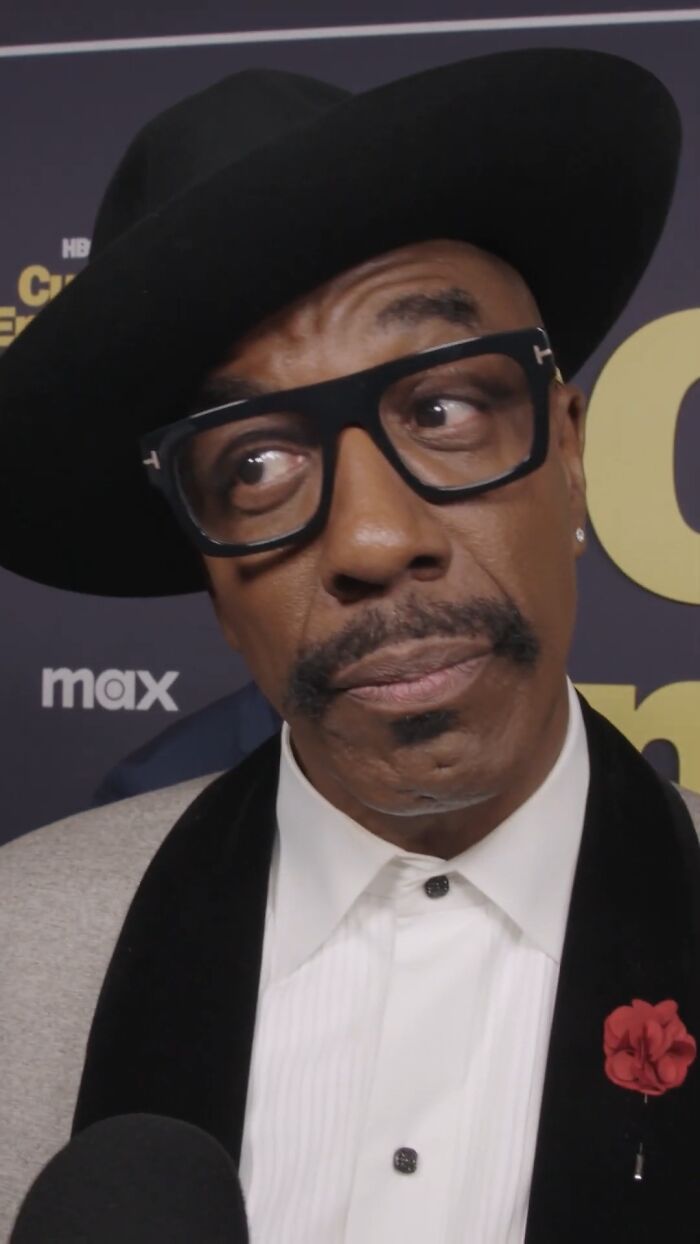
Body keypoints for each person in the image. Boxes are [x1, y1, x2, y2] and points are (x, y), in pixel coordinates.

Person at [0, 50, 698, 1242]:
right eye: (256, 464)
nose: (374, 537)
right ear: (210, 571)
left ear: (571, 453)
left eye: (440, 408)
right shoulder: (16, 957)